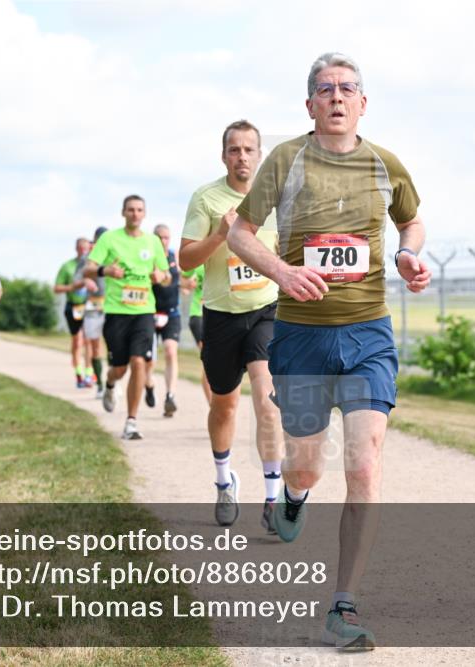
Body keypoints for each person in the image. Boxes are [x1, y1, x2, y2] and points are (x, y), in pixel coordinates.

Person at [227, 54, 431, 650]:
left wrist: (406, 255)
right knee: (307, 462)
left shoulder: (384, 163)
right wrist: (282, 274)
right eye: (325, 89)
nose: (337, 97)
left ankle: (343, 603)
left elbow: (412, 222)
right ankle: (293, 496)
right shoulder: (286, 159)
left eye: (348, 89)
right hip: (302, 335)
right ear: (310, 103)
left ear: (363, 103)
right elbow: (240, 230)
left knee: (364, 463)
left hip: (368, 333)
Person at [179, 119, 285, 533]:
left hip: (266, 310)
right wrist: (221, 234)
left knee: (267, 400)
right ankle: (225, 481)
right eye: (234, 150)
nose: (242, 156)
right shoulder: (206, 199)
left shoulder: (274, 199)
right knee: (224, 404)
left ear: (260, 155)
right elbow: (186, 261)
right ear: (224, 155)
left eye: (249, 149)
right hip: (221, 315)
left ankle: (273, 499)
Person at [84, 195, 169, 440]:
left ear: (144, 214)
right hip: (116, 312)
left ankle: (131, 421)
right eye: (130, 210)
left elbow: (165, 274)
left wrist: (159, 276)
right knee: (119, 369)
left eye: (139, 210)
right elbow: (88, 267)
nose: (135, 214)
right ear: (123, 213)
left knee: (139, 362)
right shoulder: (110, 238)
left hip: (143, 311)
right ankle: (110, 383)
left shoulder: (153, 241)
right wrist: (106, 270)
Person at [146, 224, 181, 417]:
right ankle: (149, 385)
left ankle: (170, 396)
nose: (163, 241)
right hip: (150, 313)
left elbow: (182, 276)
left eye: (167, 237)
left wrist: (187, 284)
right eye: (160, 237)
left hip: (172, 313)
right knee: (148, 361)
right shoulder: (148, 258)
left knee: (170, 351)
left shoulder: (174, 256)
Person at [55, 238, 95, 388]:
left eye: (86, 248)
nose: (83, 250)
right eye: (81, 248)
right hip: (74, 306)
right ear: (76, 248)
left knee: (90, 340)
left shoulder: (93, 265)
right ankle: (79, 373)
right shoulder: (68, 267)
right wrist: (74, 286)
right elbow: (57, 288)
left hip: (90, 306)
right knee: (77, 341)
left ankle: (89, 373)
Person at [85, 227, 110, 398]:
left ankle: (112, 382)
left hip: (111, 306)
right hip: (93, 307)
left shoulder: (114, 256)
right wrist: (87, 281)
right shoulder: (88, 259)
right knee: (94, 347)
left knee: (112, 346)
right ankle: (100, 385)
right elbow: (83, 275)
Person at [182, 263, 211, 402]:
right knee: (209, 358)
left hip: (219, 315)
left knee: (217, 360)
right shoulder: (198, 262)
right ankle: (212, 406)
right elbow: (182, 280)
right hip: (198, 314)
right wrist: (187, 284)